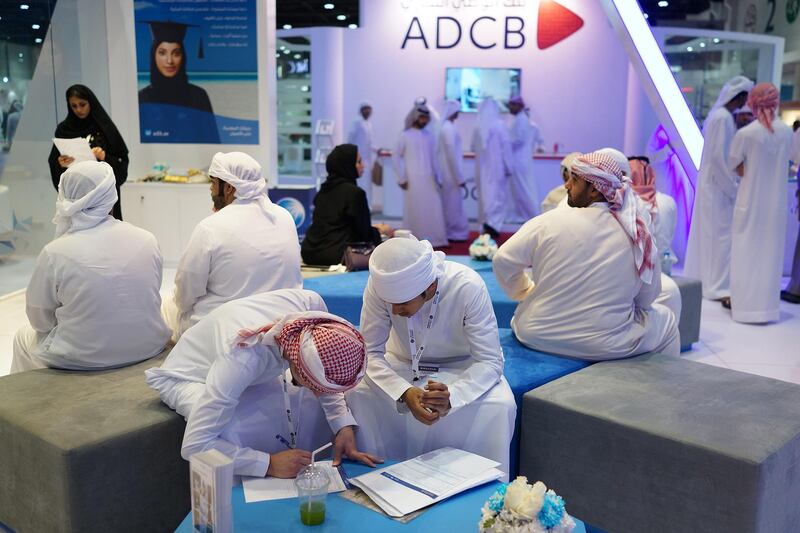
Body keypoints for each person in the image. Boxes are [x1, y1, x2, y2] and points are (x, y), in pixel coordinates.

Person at [146, 289, 382, 477]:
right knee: (232, 429)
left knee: (307, 406)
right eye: (313, 384)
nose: (319, 392)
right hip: (190, 375)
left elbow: (323, 367)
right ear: (297, 365)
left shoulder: (312, 312)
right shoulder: (242, 359)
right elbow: (195, 446)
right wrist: (267, 464)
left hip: (245, 366)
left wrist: (342, 425)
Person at [347, 237, 516, 476]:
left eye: (403, 303)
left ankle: (481, 487)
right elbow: (369, 353)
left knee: (501, 405)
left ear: (430, 288)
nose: (395, 312)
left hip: (463, 366)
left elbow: (489, 360)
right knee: (358, 395)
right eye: (390, 303)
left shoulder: (467, 286)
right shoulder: (379, 286)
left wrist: (453, 396)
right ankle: (375, 479)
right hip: (401, 363)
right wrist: (403, 392)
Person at [493, 151, 679, 360]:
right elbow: (647, 299)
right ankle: (659, 387)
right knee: (667, 320)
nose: (566, 186)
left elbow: (503, 260)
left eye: (574, 180)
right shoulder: (637, 234)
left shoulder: (548, 221)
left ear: (593, 190)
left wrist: (525, 291)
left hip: (535, 334)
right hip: (606, 344)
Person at [11, 161, 170, 373]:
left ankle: (28, 403)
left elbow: (39, 319)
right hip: (149, 347)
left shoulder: (55, 252)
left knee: (22, 337)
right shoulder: (147, 239)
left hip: (80, 359)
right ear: (111, 196)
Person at [164, 152, 302, 340]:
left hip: (225, 333)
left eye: (213, 183)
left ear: (228, 188)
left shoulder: (210, 227)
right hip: (281, 328)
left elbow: (185, 293)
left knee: (168, 305)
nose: (210, 189)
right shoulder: (284, 216)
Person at [726, 83, 793, 322]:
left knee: (746, 255)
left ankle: (745, 310)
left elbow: (733, 165)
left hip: (749, 206)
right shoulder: (786, 132)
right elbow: (791, 161)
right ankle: (767, 309)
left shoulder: (746, 134)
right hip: (775, 208)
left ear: (752, 103)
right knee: (770, 257)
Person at [684, 76, 753, 300]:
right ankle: (716, 287)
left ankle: (705, 281)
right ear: (741, 97)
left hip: (711, 185)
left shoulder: (718, 116)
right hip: (717, 187)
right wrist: (731, 187)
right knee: (719, 238)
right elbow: (718, 158)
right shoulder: (723, 118)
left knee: (709, 236)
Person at [301, 144, 393, 266]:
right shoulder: (355, 194)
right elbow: (364, 234)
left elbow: (337, 225)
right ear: (347, 165)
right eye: (359, 162)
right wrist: (381, 230)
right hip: (336, 255)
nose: (363, 165)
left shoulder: (323, 191)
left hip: (310, 252)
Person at [47, 85, 129, 220]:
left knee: (107, 234)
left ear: (90, 102)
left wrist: (104, 156)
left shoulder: (104, 127)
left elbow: (122, 160)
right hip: (77, 197)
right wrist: (60, 164)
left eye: (82, 104)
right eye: (74, 106)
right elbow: (54, 164)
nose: (78, 110)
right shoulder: (64, 129)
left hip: (103, 195)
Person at [393, 102, 448, 247]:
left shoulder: (430, 136)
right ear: (416, 118)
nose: (425, 121)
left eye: (426, 118)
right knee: (415, 209)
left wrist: (439, 177)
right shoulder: (405, 135)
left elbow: (434, 159)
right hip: (413, 180)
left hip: (429, 179)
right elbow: (396, 156)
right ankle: (414, 242)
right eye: (422, 118)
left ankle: (436, 240)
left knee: (433, 207)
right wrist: (401, 177)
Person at [472, 98, 513, 239]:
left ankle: (485, 226)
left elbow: (473, 147)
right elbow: (506, 149)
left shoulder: (478, 127)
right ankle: (493, 227)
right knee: (497, 197)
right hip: (498, 168)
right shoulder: (499, 125)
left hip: (483, 170)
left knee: (486, 196)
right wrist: (509, 167)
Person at [436, 100, 469, 242]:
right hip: (450, 174)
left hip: (449, 173)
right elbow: (451, 154)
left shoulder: (446, 127)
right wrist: (459, 177)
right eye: (457, 110)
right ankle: (454, 232)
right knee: (453, 205)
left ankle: (453, 231)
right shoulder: (448, 128)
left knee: (451, 204)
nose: (459, 113)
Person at [507, 96, 544, 220]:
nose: (509, 107)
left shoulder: (522, 119)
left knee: (525, 189)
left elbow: (519, 139)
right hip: (519, 160)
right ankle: (525, 215)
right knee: (521, 189)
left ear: (519, 105)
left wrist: (504, 144)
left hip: (520, 160)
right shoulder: (519, 118)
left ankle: (533, 216)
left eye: (512, 104)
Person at [347, 102, 377, 205]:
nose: (367, 111)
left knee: (367, 185)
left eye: (369, 109)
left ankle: (367, 206)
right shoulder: (356, 122)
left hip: (367, 160)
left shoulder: (368, 124)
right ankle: (358, 207)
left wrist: (378, 150)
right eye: (365, 109)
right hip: (357, 159)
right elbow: (350, 139)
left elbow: (369, 143)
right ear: (361, 110)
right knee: (359, 183)